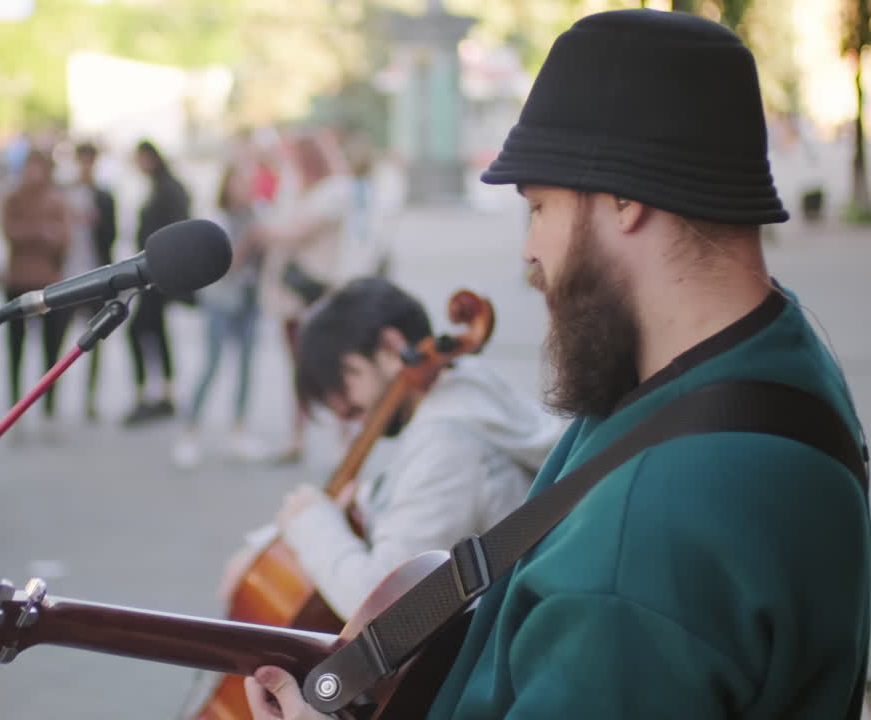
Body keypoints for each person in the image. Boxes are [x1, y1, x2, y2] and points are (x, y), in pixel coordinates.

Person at [242, 10, 870, 719]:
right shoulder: (776, 356)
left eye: (538, 207)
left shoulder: (641, 552)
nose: (528, 250)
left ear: (625, 198)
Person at [219, 278, 562, 619]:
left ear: (390, 348)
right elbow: (395, 498)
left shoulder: (449, 442)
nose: (344, 410)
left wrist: (312, 524)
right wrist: (267, 543)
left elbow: (379, 603)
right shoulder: (462, 395)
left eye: (344, 381)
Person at [254, 132, 355, 463]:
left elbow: (291, 230)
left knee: (329, 367)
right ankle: (297, 436)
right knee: (297, 369)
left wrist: (265, 232)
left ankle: (345, 439)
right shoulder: (296, 188)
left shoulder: (333, 192)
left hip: (316, 291)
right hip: (289, 295)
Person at [171, 161, 270, 468]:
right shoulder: (218, 221)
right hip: (220, 302)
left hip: (249, 302)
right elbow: (222, 266)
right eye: (239, 183)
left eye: (248, 182)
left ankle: (238, 431)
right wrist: (246, 243)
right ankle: (189, 432)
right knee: (211, 366)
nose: (245, 189)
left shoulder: (259, 215)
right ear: (226, 186)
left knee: (245, 369)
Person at [1, 150, 73, 428]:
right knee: (15, 350)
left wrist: (38, 233)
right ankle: (15, 409)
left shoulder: (57, 199)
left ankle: (49, 409)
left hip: (50, 285)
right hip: (18, 283)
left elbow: (65, 239)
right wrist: (41, 232)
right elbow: (10, 232)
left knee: (51, 352)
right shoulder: (12, 197)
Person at [122, 140, 190, 426]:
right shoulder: (160, 186)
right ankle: (164, 391)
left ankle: (150, 394)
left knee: (139, 331)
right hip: (154, 273)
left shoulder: (168, 189)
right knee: (156, 332)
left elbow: (175, 231)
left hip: (159, 274)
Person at [66, 142, 117, 422]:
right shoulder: (64, 194)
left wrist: (96, 222)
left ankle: (90, 398)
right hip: (67, 273)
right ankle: (54, 402)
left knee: (96, 336)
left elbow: (112, 235)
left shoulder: (104, 197)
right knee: (60, 337)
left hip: (96, 274)